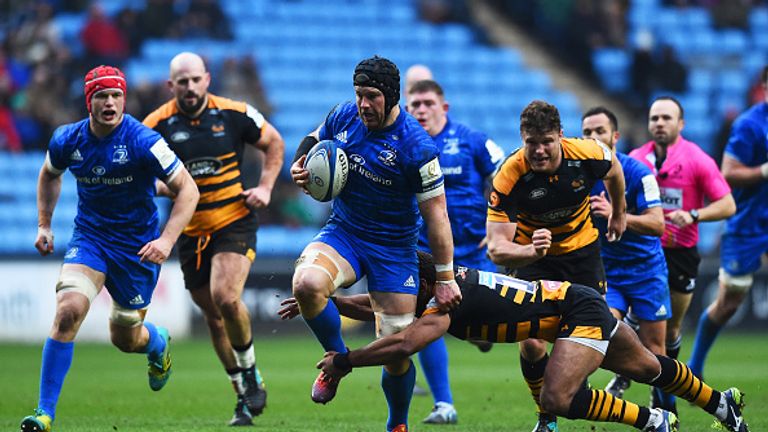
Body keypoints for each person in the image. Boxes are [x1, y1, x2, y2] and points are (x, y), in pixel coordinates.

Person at [278, 251, 750, 432]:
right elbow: (384, 309)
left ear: (420, 285)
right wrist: (332, 301)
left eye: (401, 286)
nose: (392, 294)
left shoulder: (444, 305)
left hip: (575, 311)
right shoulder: (437, 288)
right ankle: (721, 405)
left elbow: (403, 344)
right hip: (574, 300)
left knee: (558, 397)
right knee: (648, 367)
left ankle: (652, 420)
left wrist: (345, 359)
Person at [20, 65, 199, 432]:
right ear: (89, 101)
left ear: (124, 99)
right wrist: (44, 224)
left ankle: (156, 343)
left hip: (137, 250)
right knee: (68, 312)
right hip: (91, 239)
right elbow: (49, 174)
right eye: (102, 95)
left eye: (116, 95)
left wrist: (166, 241)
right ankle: (44, 413)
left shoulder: (144, 140)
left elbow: (189, 189)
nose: (110, 102)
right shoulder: (68, 140)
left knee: (126, 339)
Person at [289, 55, 461, 432]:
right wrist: (300, 160)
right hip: (345, 232)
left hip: (395, 250)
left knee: (396, 353)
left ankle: (397, 424)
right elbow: (316, 136)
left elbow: (437, 218)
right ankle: (335, 361)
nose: (363, 104)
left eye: (371, 96)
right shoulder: (344, 115)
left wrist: (445, 278)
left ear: (391, 95)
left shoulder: (417, 147)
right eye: (358, 94)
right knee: (306, 285)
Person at [143, 52, 284, 427]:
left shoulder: (235, 113)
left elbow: (275, 143)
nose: (189, 87)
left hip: (233, 220)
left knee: (226, 297)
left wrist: (266, 187)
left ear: (207, 79)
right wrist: (158, 184)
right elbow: (141, 174)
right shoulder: (155, 125)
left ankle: (251, 372)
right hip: (190, 232)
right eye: (181, 82)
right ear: (170, 86)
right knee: (214, 318)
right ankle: (242, 396)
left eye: (195, 80)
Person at [486, 100, 627, 432]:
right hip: (534, 259)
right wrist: (531, 253)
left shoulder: (588, 153)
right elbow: (496, 248)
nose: (538, 151)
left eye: (546, 141)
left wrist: (619, 212)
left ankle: (574, 385)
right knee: (532, 342)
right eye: (530, 143)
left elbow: (615, 171)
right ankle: (546, 415)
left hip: (582, 254)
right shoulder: (509, 174)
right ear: (522, 139)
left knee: (595, 336)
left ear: (561, 136)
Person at [405, 78, 505, 424]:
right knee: (427, 321)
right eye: (414, 105)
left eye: (427, 103)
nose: (421, 110)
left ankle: (480, 335)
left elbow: (506, 174)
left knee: (484, 328)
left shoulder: (472, 140)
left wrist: (500, 224)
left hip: (475, 253)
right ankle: (444, 405)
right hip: (426, 257)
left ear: (443, 107)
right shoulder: (403, 146)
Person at [629, 96, 736, 414]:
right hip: (646, 253)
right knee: (649, 334)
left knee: (671, 331)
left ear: (681, 124)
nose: (659, 123)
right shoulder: (637, 158)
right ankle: (667, 402)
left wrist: (693, 215)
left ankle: (664, 391)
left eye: (666, 118)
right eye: (654, 118)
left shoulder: (697, 159)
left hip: (680, 255)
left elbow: (728, 205)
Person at [582, 107, 669, 401]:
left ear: (615, 136)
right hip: (609, 273)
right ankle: (613, 376)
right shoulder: (579, 177)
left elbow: (658, 224)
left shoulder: (639, 173)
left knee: (656, 349)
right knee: (598, 332)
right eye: (587, 132)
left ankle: (667, 412)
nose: (593, 137)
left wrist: (617, 215)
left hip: (647, 271)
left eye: (599, 131)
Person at [687, 66, 768, 379]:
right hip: (749, 223)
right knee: (729, 301)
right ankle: (695, 364)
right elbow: (729, 172)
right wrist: (763, 171)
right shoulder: (750, 124)